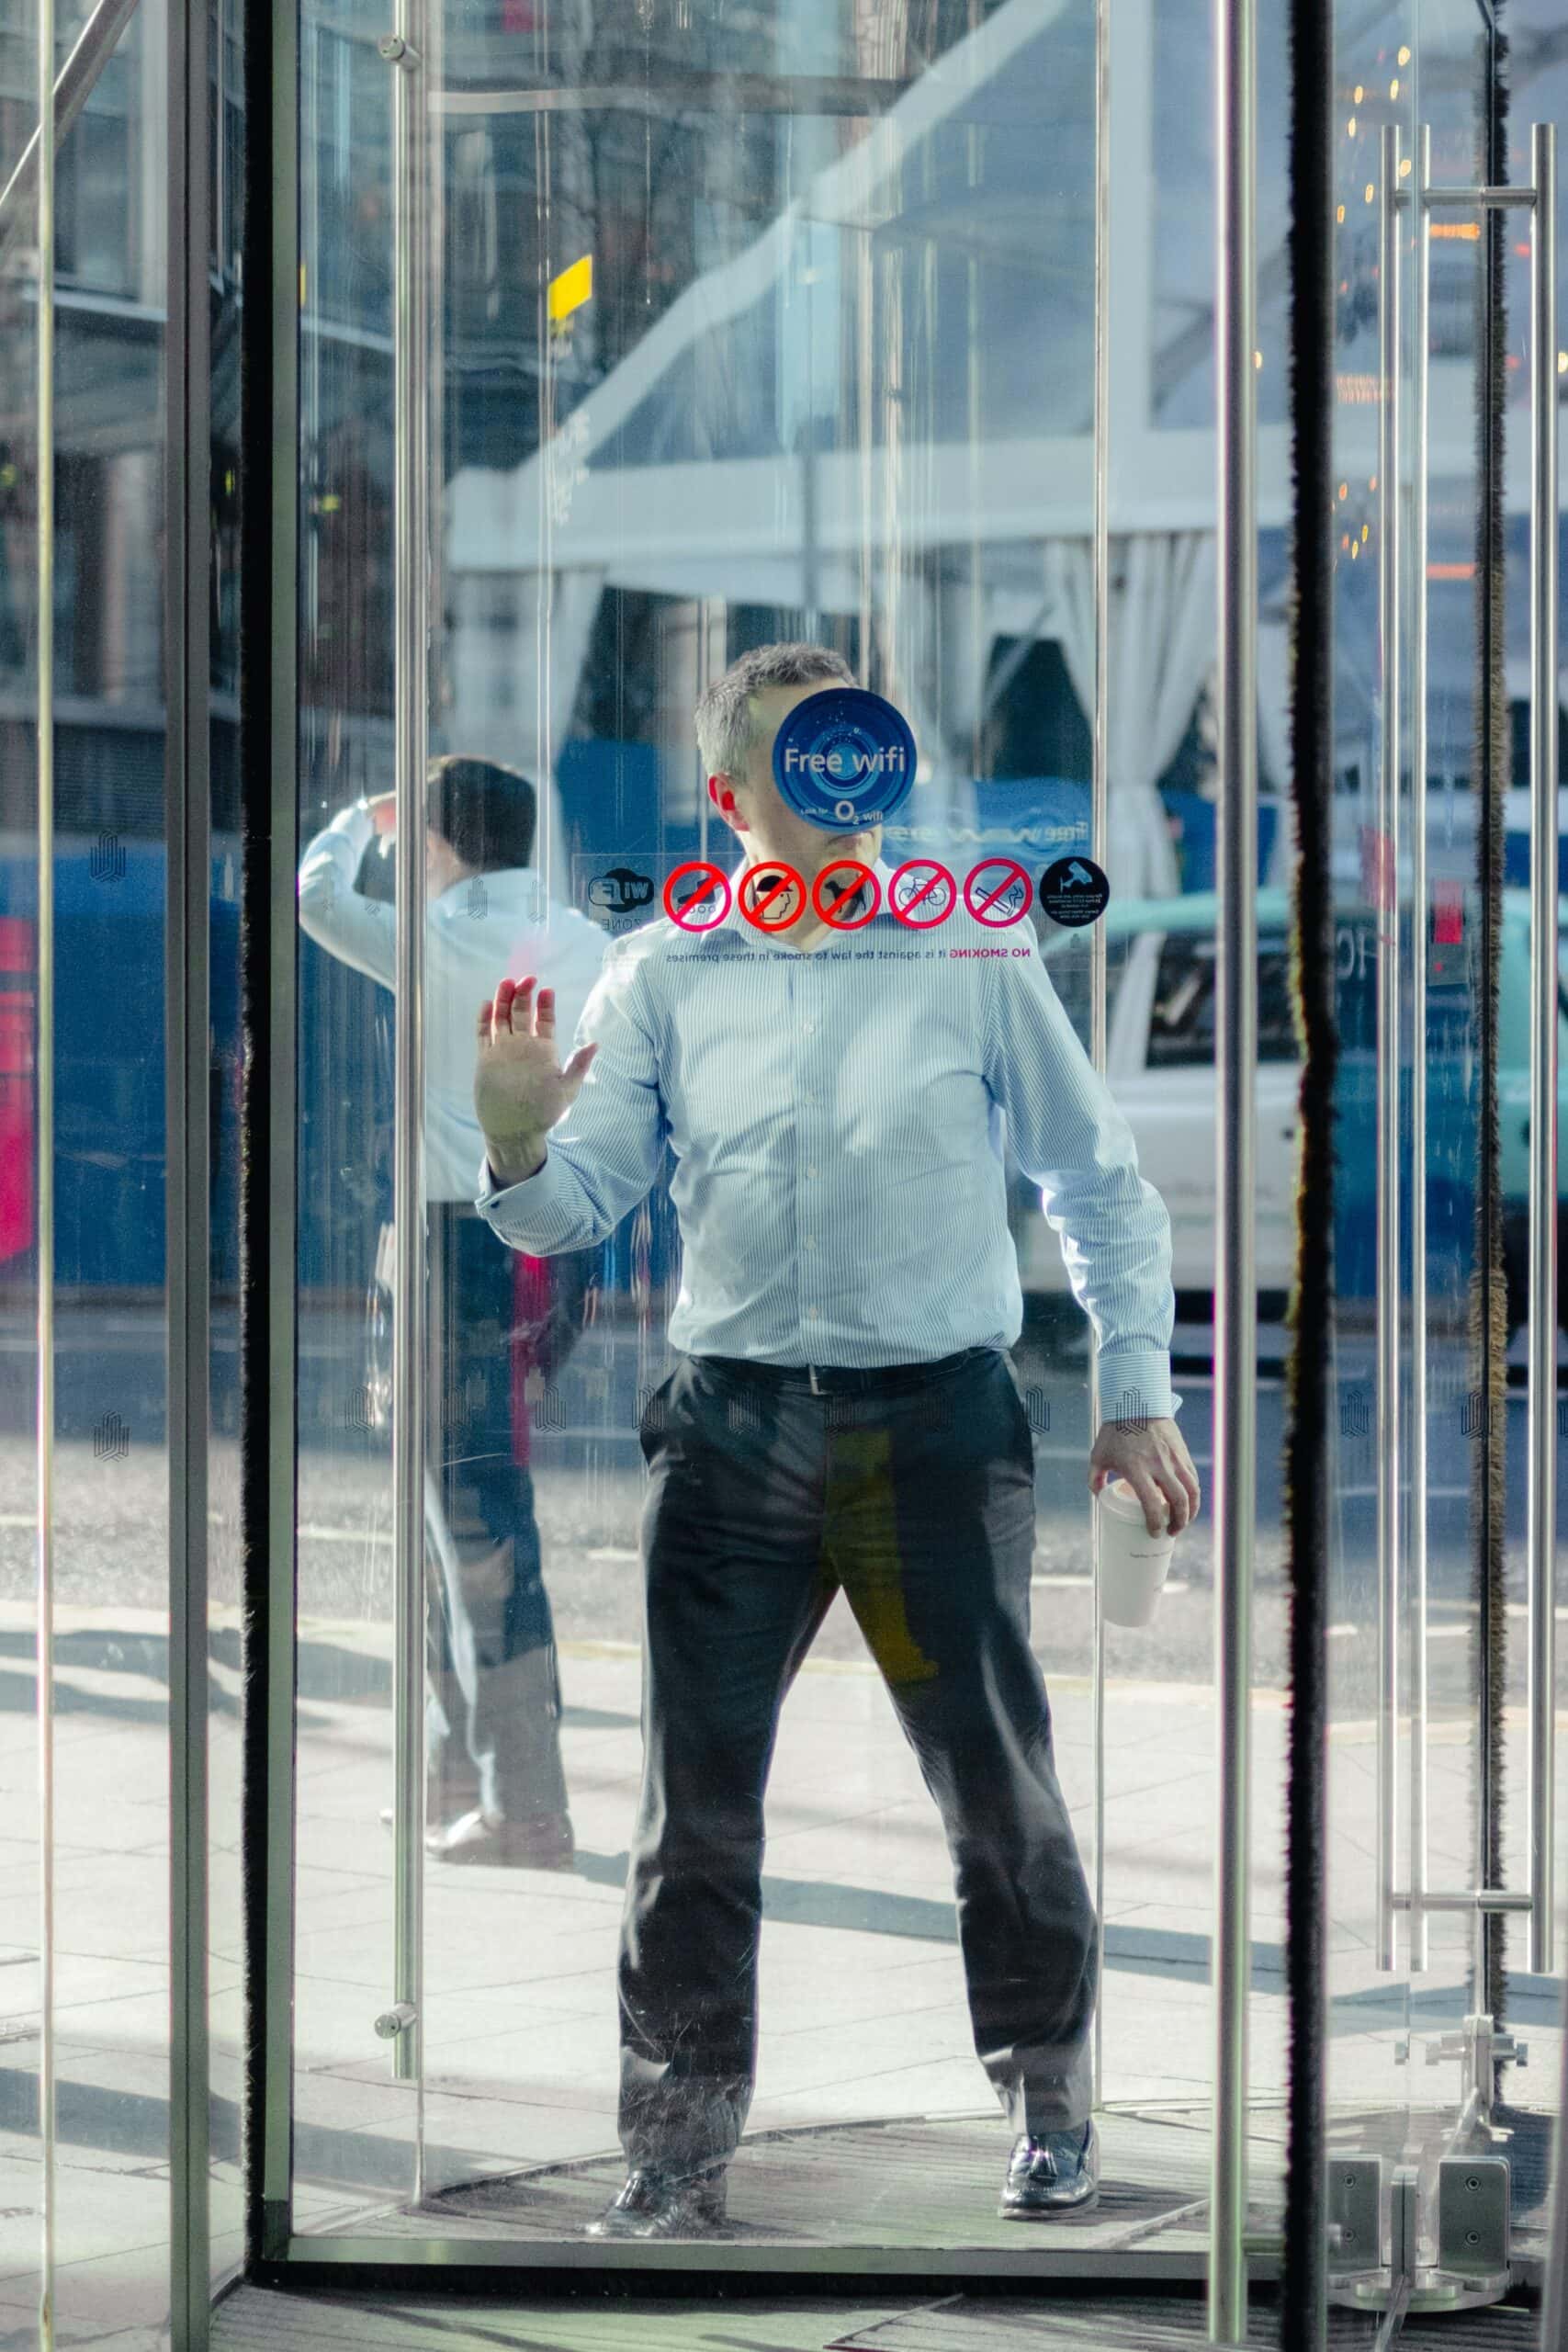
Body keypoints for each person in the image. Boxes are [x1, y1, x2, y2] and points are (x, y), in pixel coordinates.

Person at [469, 644, 1201, 2234]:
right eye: (807, 766)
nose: (845, 797)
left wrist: (1132, 1389)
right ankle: (675, 2151)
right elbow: (575, 1202)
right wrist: (516, 1134)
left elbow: (1094, 1182)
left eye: (860, 759)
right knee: (695, 1810)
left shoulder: (968, 954)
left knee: (994, 1790)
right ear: (730, 798)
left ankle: (1050, 2114)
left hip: (936, 1423)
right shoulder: (662, 971)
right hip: (730, 1435)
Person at [299, 754, 607, 1867]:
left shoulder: (424, 940)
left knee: (475, 1531)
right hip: (543, 1241)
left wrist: (356, 818)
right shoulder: (582, 942)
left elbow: (315, 895)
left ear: (433, 845)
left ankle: (525, 1803)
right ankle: (453, 1772)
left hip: (446, 1250)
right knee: (461, 1519)